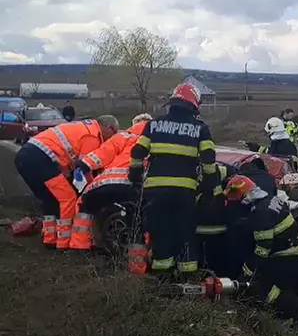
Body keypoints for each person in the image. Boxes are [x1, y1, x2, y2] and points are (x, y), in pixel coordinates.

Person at [129, 82, 218, 279]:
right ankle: (187, 278)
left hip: (155, 192)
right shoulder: (200, 128)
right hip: (184, 193)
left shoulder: (153, 124)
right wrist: (209, 188)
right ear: (194, 105)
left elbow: (137, 152)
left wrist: (134, 176)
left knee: (160, 234)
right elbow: (209, 163)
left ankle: (162, 278)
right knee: (185, 233)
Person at [15, 115, 120, 250]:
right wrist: (93, 187)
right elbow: (85, 166)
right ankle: (64, 242)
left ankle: (50, 239)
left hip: (26, 157)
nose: (114, 136)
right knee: (68, 197)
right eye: (114, 132)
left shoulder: (83, 127)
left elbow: (67, 160)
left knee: (50, 199)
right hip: (39, 159)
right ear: (107, 127)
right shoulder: (93, 136)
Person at [224, 175, 298, 320]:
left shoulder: (261, 213)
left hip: (287, 256)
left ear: (242, 195)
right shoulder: (270, 200)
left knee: (259, 287)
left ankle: (297, 309)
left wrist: (247, 273)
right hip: (295, 252)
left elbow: (262, 249)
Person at [76, 114, 153, 249]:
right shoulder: (156, 140)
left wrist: (84, 165)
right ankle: (144, 247)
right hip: (134, 184)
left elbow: (102, 153)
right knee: (142, 214)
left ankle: (80, 245)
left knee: (85, 207)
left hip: (103, 184)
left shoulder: (123, 136)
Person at [195, 164, 233, 276]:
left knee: (201, 263)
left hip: (200, 230)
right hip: (220, 229)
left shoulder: (189, 171)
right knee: (217, 264)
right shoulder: (222, 171)